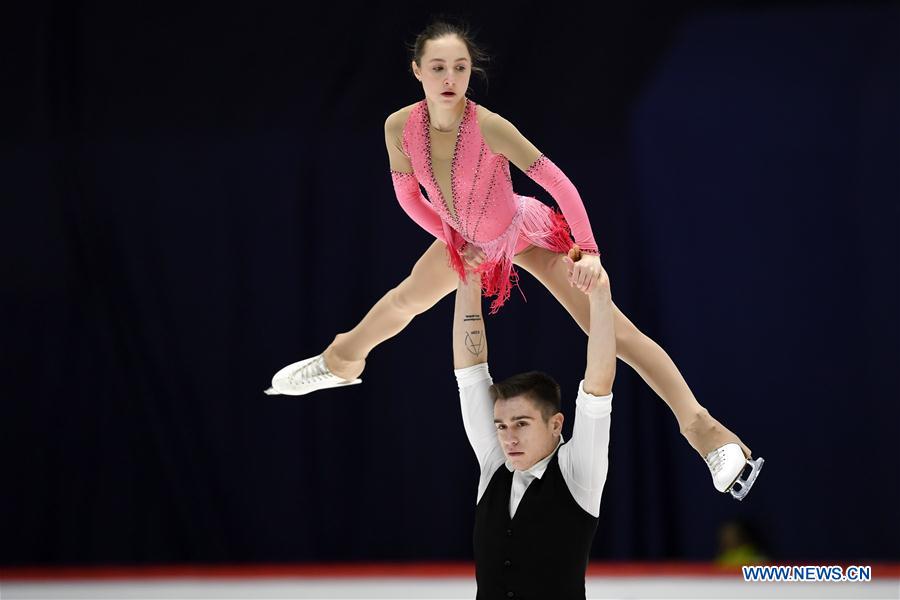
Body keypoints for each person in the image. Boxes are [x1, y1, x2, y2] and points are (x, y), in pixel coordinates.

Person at [265, 19, 763, 499]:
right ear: (417, 70)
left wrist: (587, 250)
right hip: (470, 240)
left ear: (470, 71)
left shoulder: (489, 126)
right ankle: (340, 361)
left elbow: (559, 183)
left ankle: (706, 431)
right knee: (403, 302)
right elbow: (408, 196)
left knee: (611, 331)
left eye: (459, 67)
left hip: (525, 231)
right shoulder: (399, 127)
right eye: (437, 67)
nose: (449, 78)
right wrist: (452, 239)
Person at [455, 246, 616, 599]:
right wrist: (468, 277)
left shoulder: (578, 472)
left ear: (556, 424)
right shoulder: (495, 463)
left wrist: (600, 294)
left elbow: (598, 388)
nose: (508, 437)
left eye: (522, 424)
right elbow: (470, 371)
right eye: (501, 425)